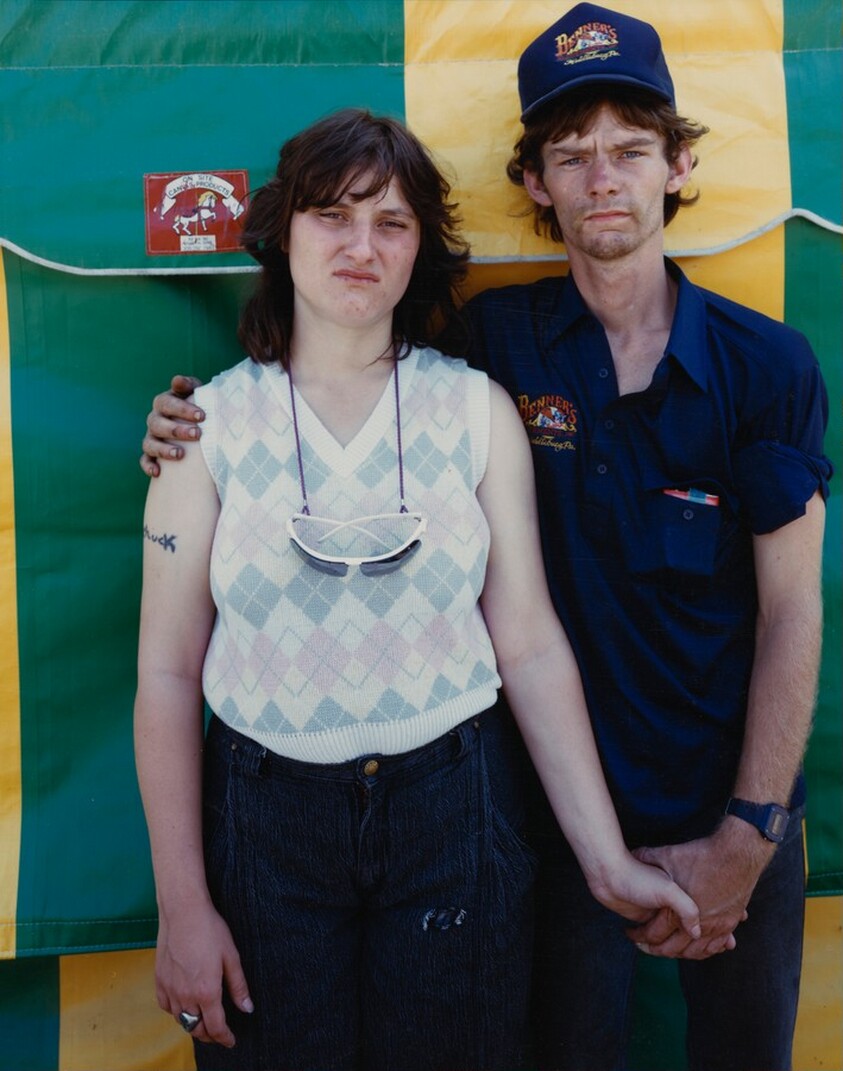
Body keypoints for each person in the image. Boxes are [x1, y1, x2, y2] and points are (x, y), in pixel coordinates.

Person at [140, 9, 832, 1068]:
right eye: (571, 155)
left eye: (631, 151)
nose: (603, 179)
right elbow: (170, 664)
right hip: (445, 816)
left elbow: (779, 613)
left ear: (680, 164)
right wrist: (183, 428)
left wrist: (753, 829)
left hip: (653, 802)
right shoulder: (489, 351)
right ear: (536, 184)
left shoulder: (751, 368)